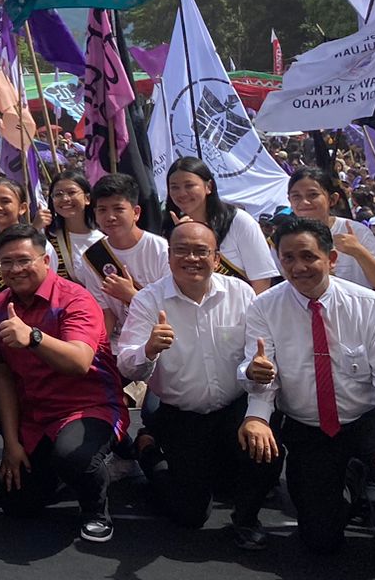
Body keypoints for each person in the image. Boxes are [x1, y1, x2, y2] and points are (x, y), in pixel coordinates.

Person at [240, 216, 375, 568]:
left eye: (308, 257)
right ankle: (348, 483)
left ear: (331, 259)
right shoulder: (264, 306)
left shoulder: (368, 304)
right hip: (309, 428)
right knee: (320, 541)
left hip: (364, 421)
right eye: (287, 258)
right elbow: (260, 374)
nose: (298, 267)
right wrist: (255, 399)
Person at [116, 221, 282, 549]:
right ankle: (148, 449)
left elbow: (253, 354)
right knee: (190, 514)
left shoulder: (241, 293)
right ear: (169, 256)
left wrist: (255, 369)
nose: (191, 258)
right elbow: (127, 364)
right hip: (181, 413)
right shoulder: (149, 300)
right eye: (182, 250)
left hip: (232, 408)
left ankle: (246, 519)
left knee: (266, 450)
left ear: (216, 258)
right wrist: (148, 349)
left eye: (200, 251)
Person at [0, 223, 129, 544]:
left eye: (24, 260)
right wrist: (11, 443)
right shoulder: (0, 305)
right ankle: (59, 471)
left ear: (45, 261)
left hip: (89, 408)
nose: (15, 269)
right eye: (6, 262)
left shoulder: (75, 300)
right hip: (36, 416)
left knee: (74, 457)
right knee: (17, 504)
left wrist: (33, 337)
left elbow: (79, 362)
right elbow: (3, 373)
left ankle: (95, 509)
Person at [163, 157, 278, 293]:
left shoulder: (239, 221)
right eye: (174, 187)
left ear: (209, 187)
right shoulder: (170, 228)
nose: (181, 193)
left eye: (189, 186)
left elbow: (262, 280)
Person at [287, 167, 375, 301]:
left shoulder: (356, 232)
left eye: (313, 195)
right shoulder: (284, 241)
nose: (304, 202)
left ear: (332, 199)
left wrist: (358, 252)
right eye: (296, 196)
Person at [78, 173, 170, 335]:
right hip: (121, 342)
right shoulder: (92, 257)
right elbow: (106, 313)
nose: (110, 217)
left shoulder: (160, 249)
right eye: (102, 210)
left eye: (118, 209)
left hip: (162, 336)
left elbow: (173, 307)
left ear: (136, 212)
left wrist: (132, 295)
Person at [46, 169, 103, 286]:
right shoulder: (47, 237)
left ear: (87, 198)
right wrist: (35, 230)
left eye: (71, 192)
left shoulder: (103, 240)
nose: (65, 199)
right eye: (58, 194)